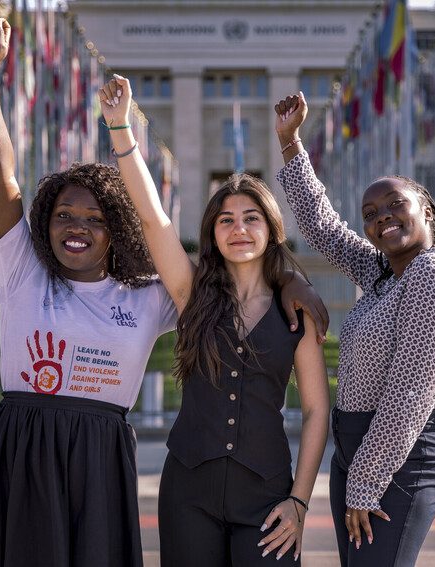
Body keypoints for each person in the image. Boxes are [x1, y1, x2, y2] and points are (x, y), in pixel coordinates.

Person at [0, 19, 328, 567]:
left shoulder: (148, 297)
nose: (76, 226)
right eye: (63, 215)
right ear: (44, 223)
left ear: (116, 232)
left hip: (100, 462)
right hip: (21, 450)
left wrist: (288, 276)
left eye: (94, 217)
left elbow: (208, 256)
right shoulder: (20, 270)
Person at [98, 75, 331, 565]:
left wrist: (300, 501)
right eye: (226, 219)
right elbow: (153, 219)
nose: (239, 229)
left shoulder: (297, 310)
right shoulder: (191, 291)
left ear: (271, 228)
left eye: (251, 218)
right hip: (189, 492)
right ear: (212, 231)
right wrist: (120, 129)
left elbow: (315, 412)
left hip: (268, 496)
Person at [273, 92, 435, 567]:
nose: (381, 216)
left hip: (402, 457)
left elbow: (411, 392)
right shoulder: (383, 274)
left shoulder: (431, 274)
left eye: (394, 204)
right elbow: (324, 228)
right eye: (370, 213)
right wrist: (289, 143)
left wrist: (365, 479)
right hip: (361, 454)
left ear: (425, 209)